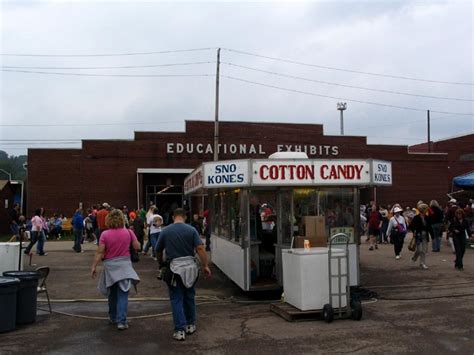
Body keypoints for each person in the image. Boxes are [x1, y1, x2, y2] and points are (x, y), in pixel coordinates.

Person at [156, 208, 211, 341]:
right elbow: (200, 249)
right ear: (185, 217)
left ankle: (180, 330)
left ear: (173, 216)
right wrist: (205, 266)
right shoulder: (191, 230)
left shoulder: (166, 231)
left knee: (176, 298)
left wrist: (161, 263)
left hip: (174, 268)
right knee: (189, 296)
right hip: (191, 267)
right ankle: (191, 324)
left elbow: (158, 249)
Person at [91, 209, 140, 330]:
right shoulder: (128, 232)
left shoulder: (105, 234)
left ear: (109, 220)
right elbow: (137, 247)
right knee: (123, 293)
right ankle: (122, 321)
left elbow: (99, 252)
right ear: (122, 219)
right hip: (124, 265)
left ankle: (113, 317)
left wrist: (94, 266)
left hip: (110, 266)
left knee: (112, 294)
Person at [410, 203, 430, 269]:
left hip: (425, 235)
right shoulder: (416, 218)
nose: (427, 210)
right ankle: (414, 258)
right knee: (419, 250)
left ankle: (422, 263)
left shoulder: (427, 218)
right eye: (426, 209)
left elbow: (429, 227)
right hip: (418, 235)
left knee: (424, 250)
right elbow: (411, 226)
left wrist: (432, 235)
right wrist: (414, 231)